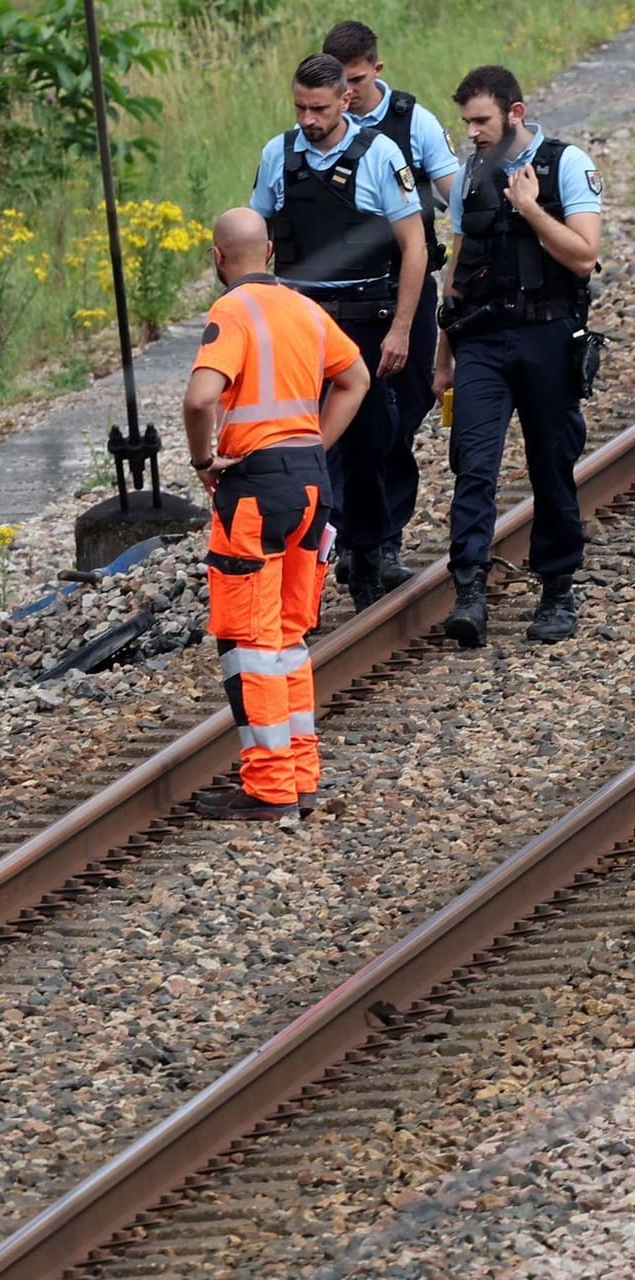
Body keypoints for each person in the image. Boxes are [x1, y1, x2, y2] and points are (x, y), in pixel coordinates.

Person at [184, 208, 372, 821]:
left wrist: (203, 459)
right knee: (290, 638)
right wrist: (315, 443)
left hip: (255, 490)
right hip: (311, 486)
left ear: (218, 259)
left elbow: (200, 397)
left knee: (250, 642)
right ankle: (300, 776)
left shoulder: (231, 311)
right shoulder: (306, 309)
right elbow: (356, 378)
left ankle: (269, 790)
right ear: (268, 252)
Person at [433, 65, 602, 647]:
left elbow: (583, 257)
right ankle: (470, 591)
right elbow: (455, 272)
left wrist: (531, 209)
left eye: (481, 120)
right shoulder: (470, 173)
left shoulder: (566, 164)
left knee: (551, 463)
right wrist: (442, 356)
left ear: (515, 112)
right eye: (467, 122)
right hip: (481, 339)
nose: (473, 132)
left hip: (548, 336)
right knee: (472, 463)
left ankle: (556, 588)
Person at [249, 53, 424, 611]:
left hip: (364, 321)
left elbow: (414, 248)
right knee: (302, 447)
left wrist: (401, 329)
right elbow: (255, 234)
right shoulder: (278, 155)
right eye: (299, 106)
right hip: (300, 320)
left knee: (368, 442)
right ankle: (314, 556)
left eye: (318, 109)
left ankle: (368, 551)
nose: (307, 118)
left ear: (345, 100)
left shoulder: (381, 155)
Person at [323, 21, 464, 587]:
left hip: (403, 289)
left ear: (375, 70)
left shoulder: (414, 122)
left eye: (356, 81)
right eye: (340, 84)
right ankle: (354, 539)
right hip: (343, 300)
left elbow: (460, 197)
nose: (348, 95)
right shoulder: (317, 130)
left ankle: (381, 536)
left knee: (399, 415)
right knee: (340, 419)